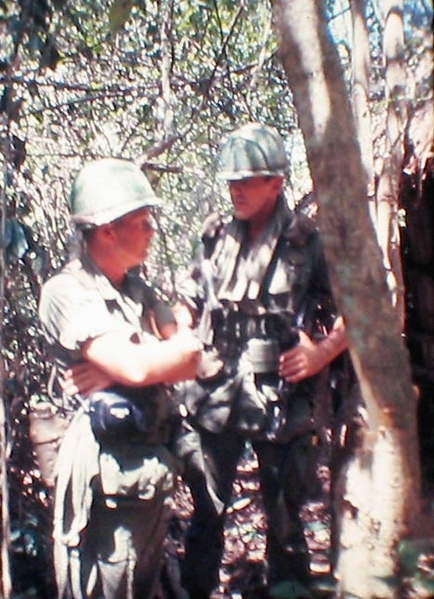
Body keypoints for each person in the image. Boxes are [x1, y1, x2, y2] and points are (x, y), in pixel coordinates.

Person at [174, 123, 348, 598]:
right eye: (230, 180)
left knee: (288, 528)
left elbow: (360, 311)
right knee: (205, 521)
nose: (236, 189)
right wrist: (180, 336)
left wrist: (321, 353)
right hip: (214, 394)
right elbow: (187, 298)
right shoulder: (212, 235)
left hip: (280, 400)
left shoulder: (308, 242)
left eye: (247, 180)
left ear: (276, 182)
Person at [38, 158, 202, 599]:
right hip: (104, 478)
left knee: (143, 582)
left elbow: (192, 352)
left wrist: (148, 356)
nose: (152, 231)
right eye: (142, 221)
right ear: (107, 229)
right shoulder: (66, 292)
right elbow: (139, 368)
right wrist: (150, 359)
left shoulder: (136, 289)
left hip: (146, 469)